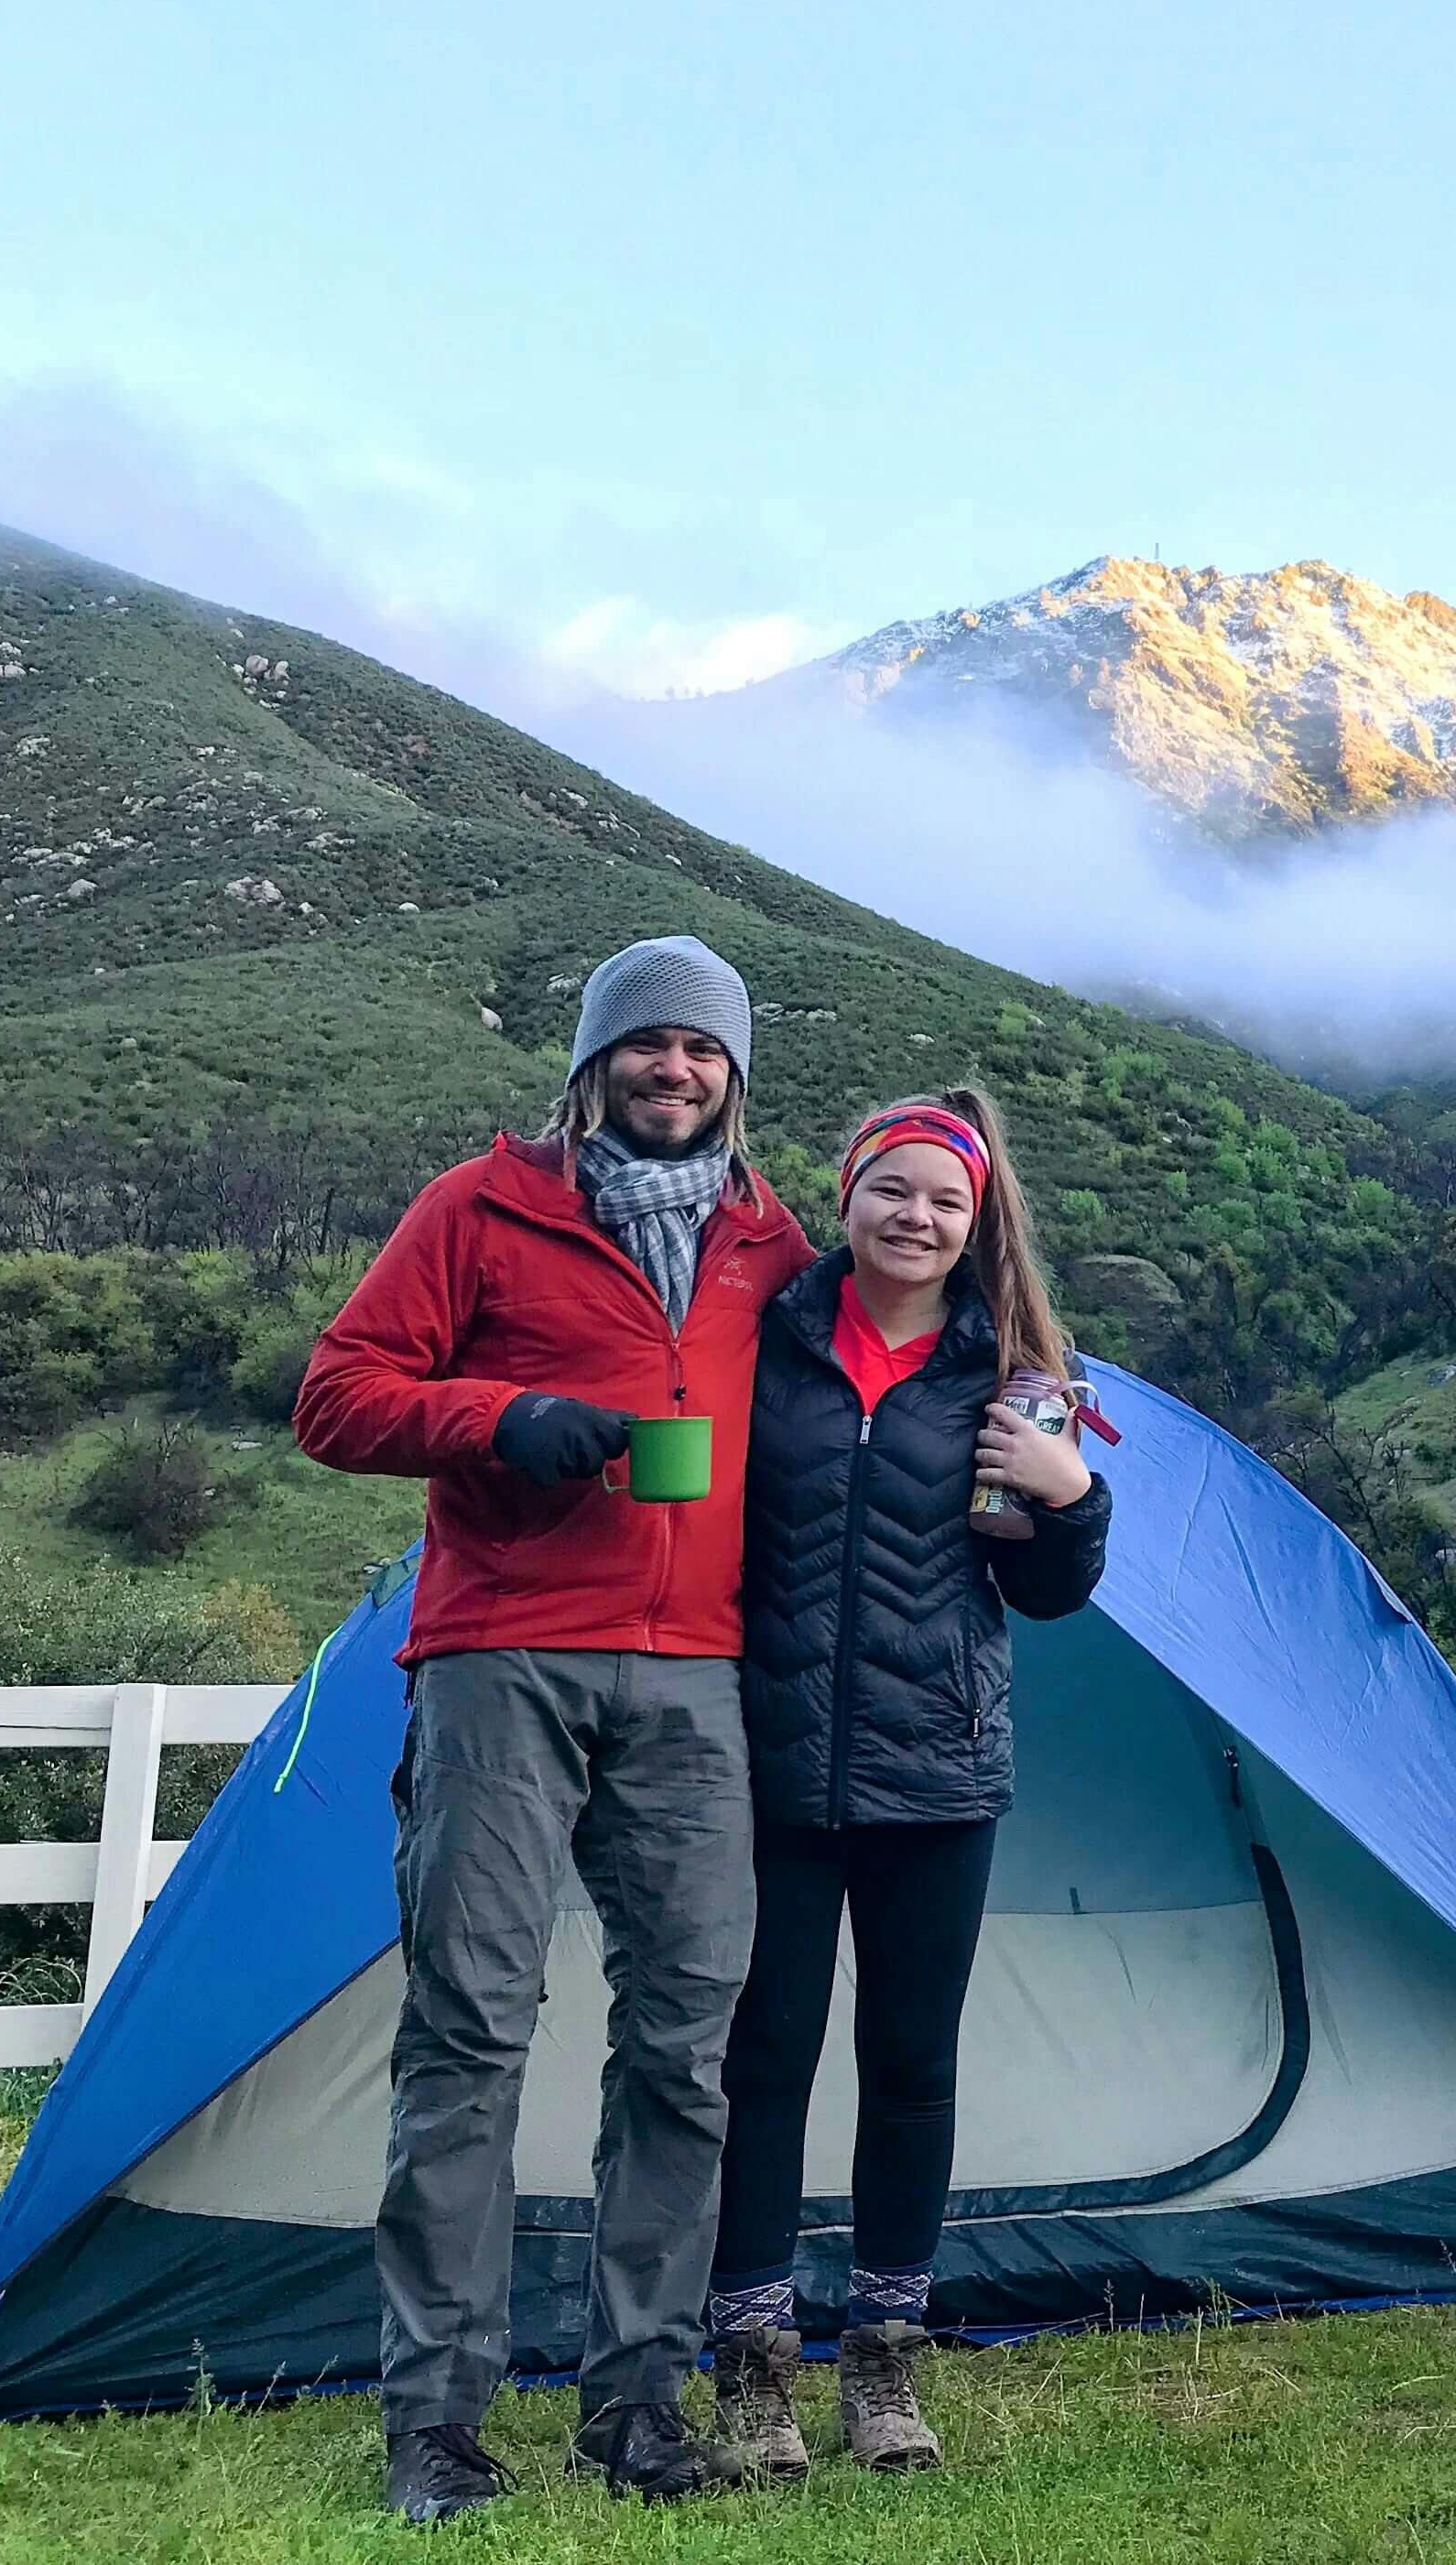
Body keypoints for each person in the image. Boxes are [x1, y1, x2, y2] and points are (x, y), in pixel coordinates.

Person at [293, 936, 809, 2524]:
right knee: (470, 2029)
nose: (677, 1071)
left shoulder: (772, 1244)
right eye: (648, 1045)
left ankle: (638, 2403)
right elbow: (336, 1394)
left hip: (699, 1671)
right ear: (595, 1063)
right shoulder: (480, 1206)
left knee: (687, 2047)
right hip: (501, 1655)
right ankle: (435, 2421)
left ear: (735, 1078)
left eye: (704, 1051)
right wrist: (500, 1417)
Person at [706, 1091, 1111, 2479]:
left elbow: (1046, 1594)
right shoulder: (765, 1342)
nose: (918, 1217)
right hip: (767, 1767)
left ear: (974, 1219)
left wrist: (1070, 1494)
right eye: (895, 1190)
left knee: (911, 2068)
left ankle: (885, 2367)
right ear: (850, 1192)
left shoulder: (1009, 1378)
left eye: (946, 1200)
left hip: (936, 1776)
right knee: (762, 2064)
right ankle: (752, 2371)